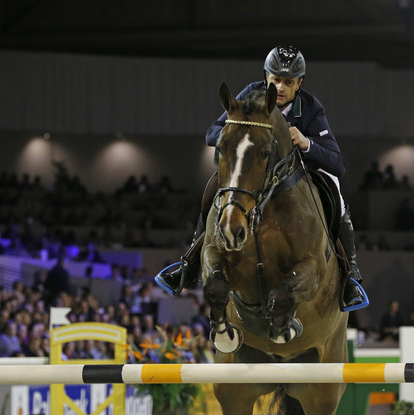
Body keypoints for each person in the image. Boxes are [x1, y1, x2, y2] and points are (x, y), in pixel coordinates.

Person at [156, 45, 368, 312]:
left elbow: (338, 163)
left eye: (288, 82)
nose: (280, 87)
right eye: (275, 79)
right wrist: (236, 133)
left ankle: (350, 274)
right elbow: (213, 132)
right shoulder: (251, 93)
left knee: (335, 190)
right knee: (216, 184)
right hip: (259, 170)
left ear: (299, 83)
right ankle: (189, 263)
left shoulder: (312, 108)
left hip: (301, 173)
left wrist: (306, 143)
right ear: (266, 76)